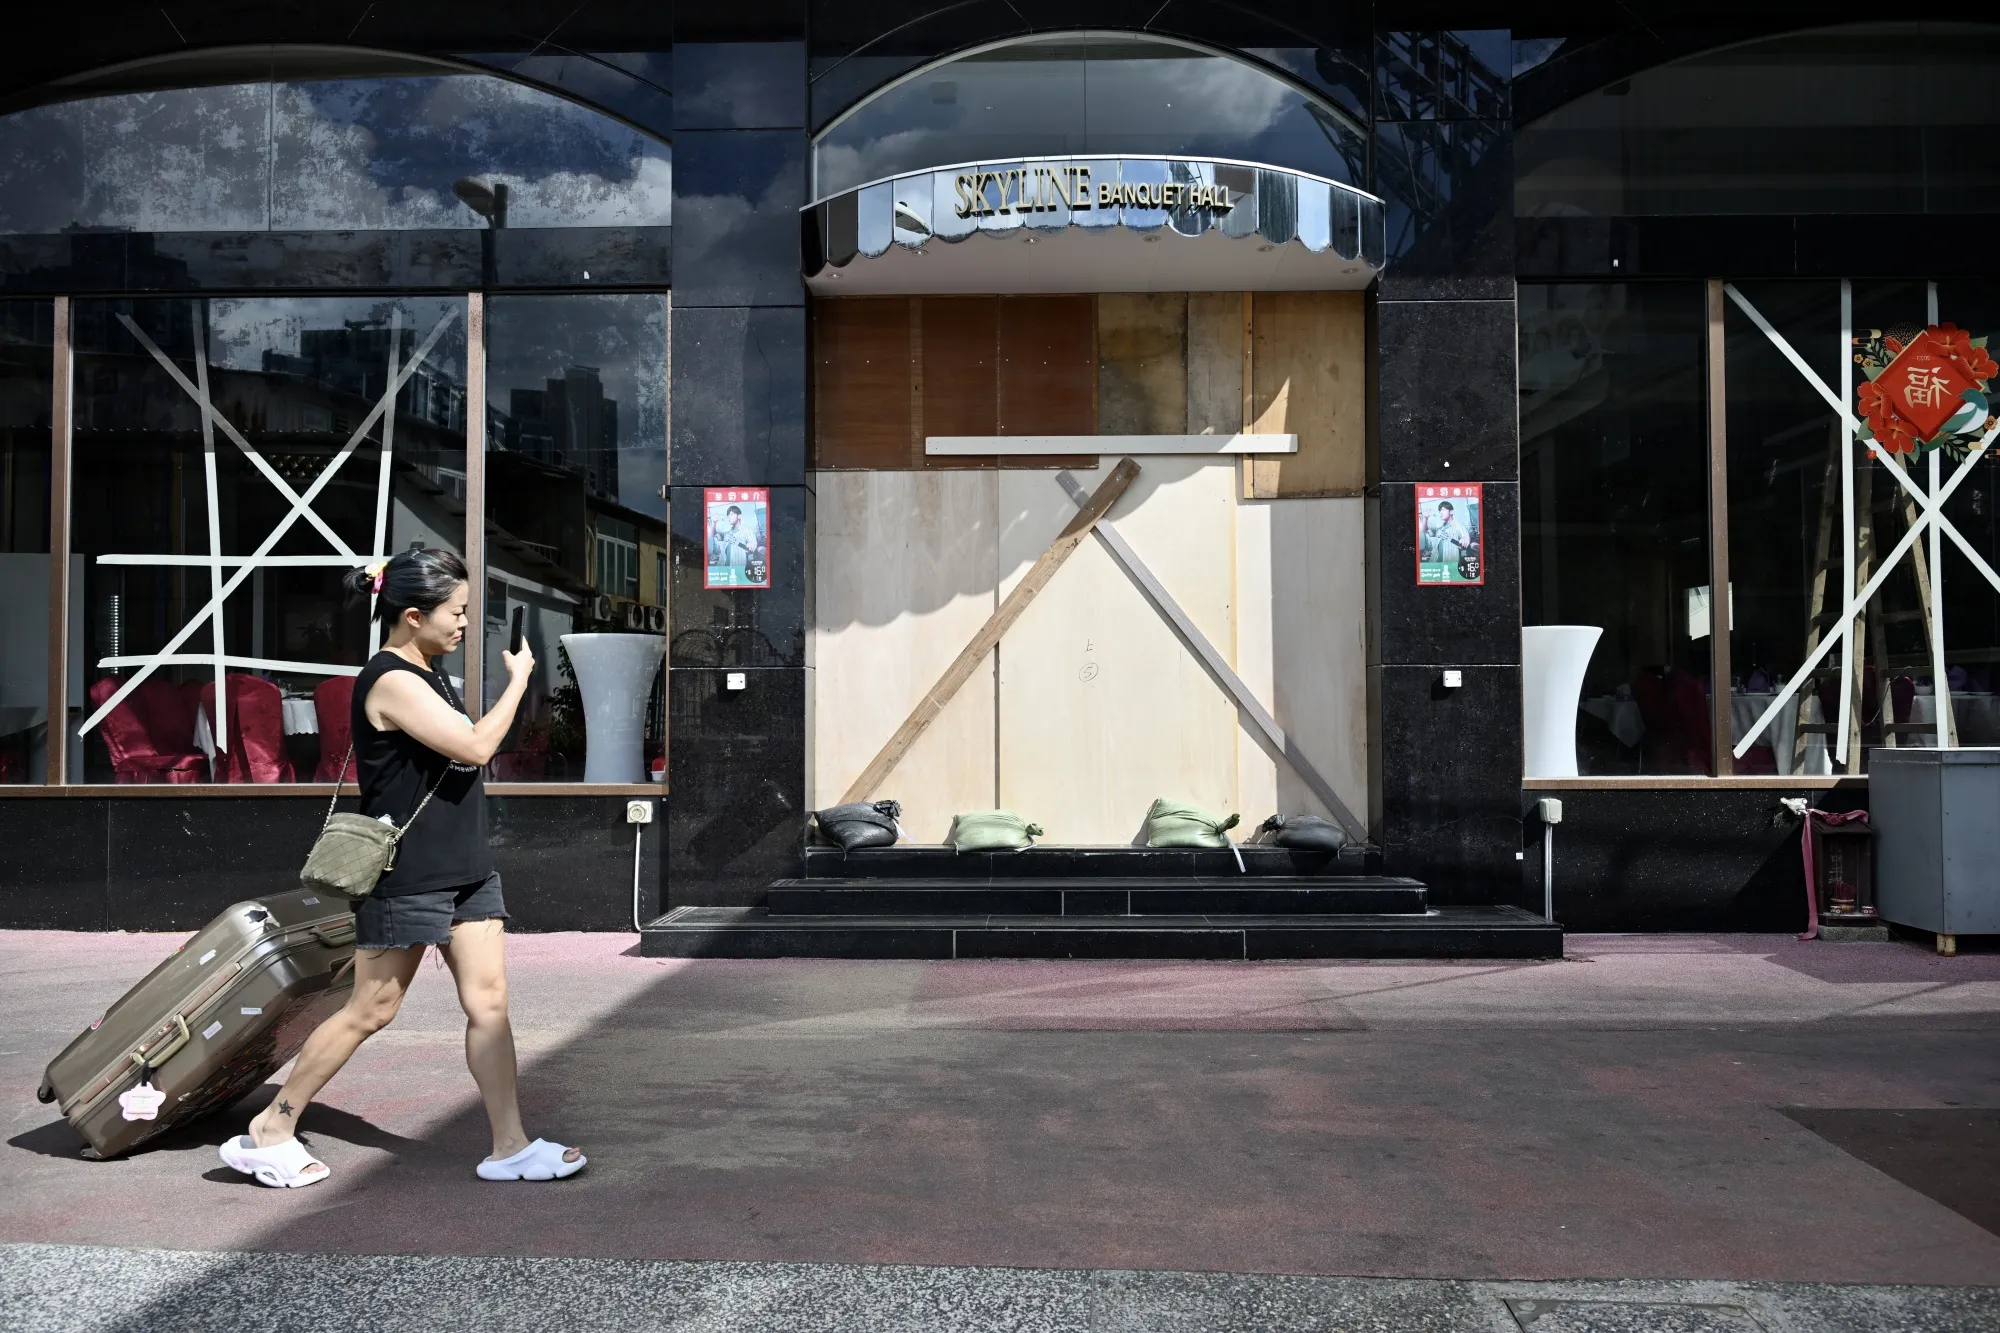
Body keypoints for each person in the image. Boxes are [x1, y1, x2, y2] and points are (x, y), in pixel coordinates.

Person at [218, 549, 585, 1187]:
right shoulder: (390, 678)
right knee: (373, 1008)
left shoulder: (429, 669)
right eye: (458, 612)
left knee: (490, 1003)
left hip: (466, 868)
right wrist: (521, 681)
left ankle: (511, 1146)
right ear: (413, 615)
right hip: (409, 874)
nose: (467, 623)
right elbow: (474, 746)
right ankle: (270, 1128)